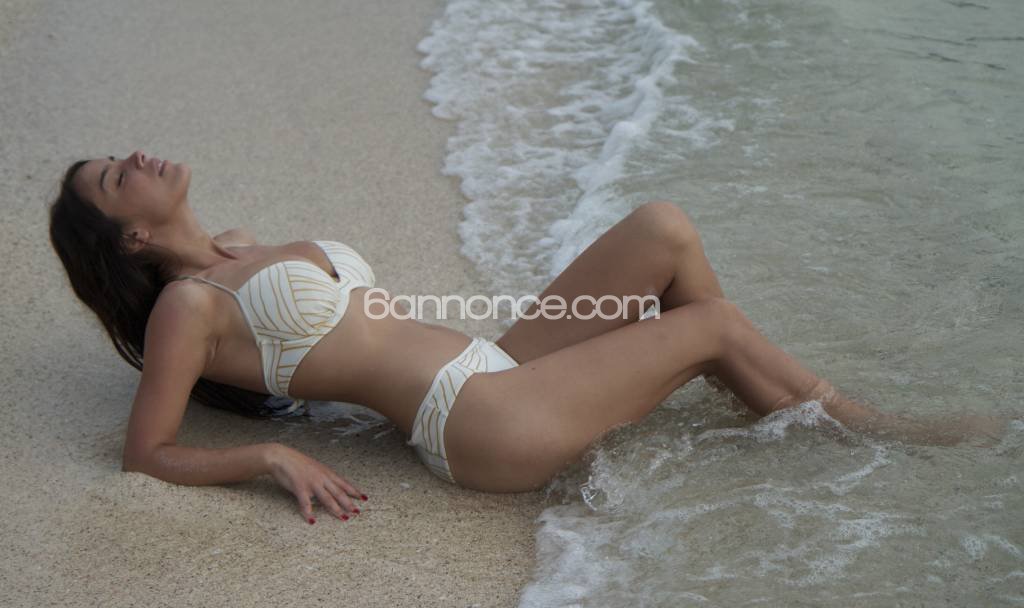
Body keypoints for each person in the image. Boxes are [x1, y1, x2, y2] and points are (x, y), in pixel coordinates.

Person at [48, 151, 1006, 525]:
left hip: (493, 368)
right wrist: (269, 455)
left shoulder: (239, 246)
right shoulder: (188, 308)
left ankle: (761, 398)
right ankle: (865, 431)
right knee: (709, 326)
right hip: (474, 423)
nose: (135, 158)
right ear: (130, 239)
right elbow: (146, 452)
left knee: (664, 229)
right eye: (115, 178)